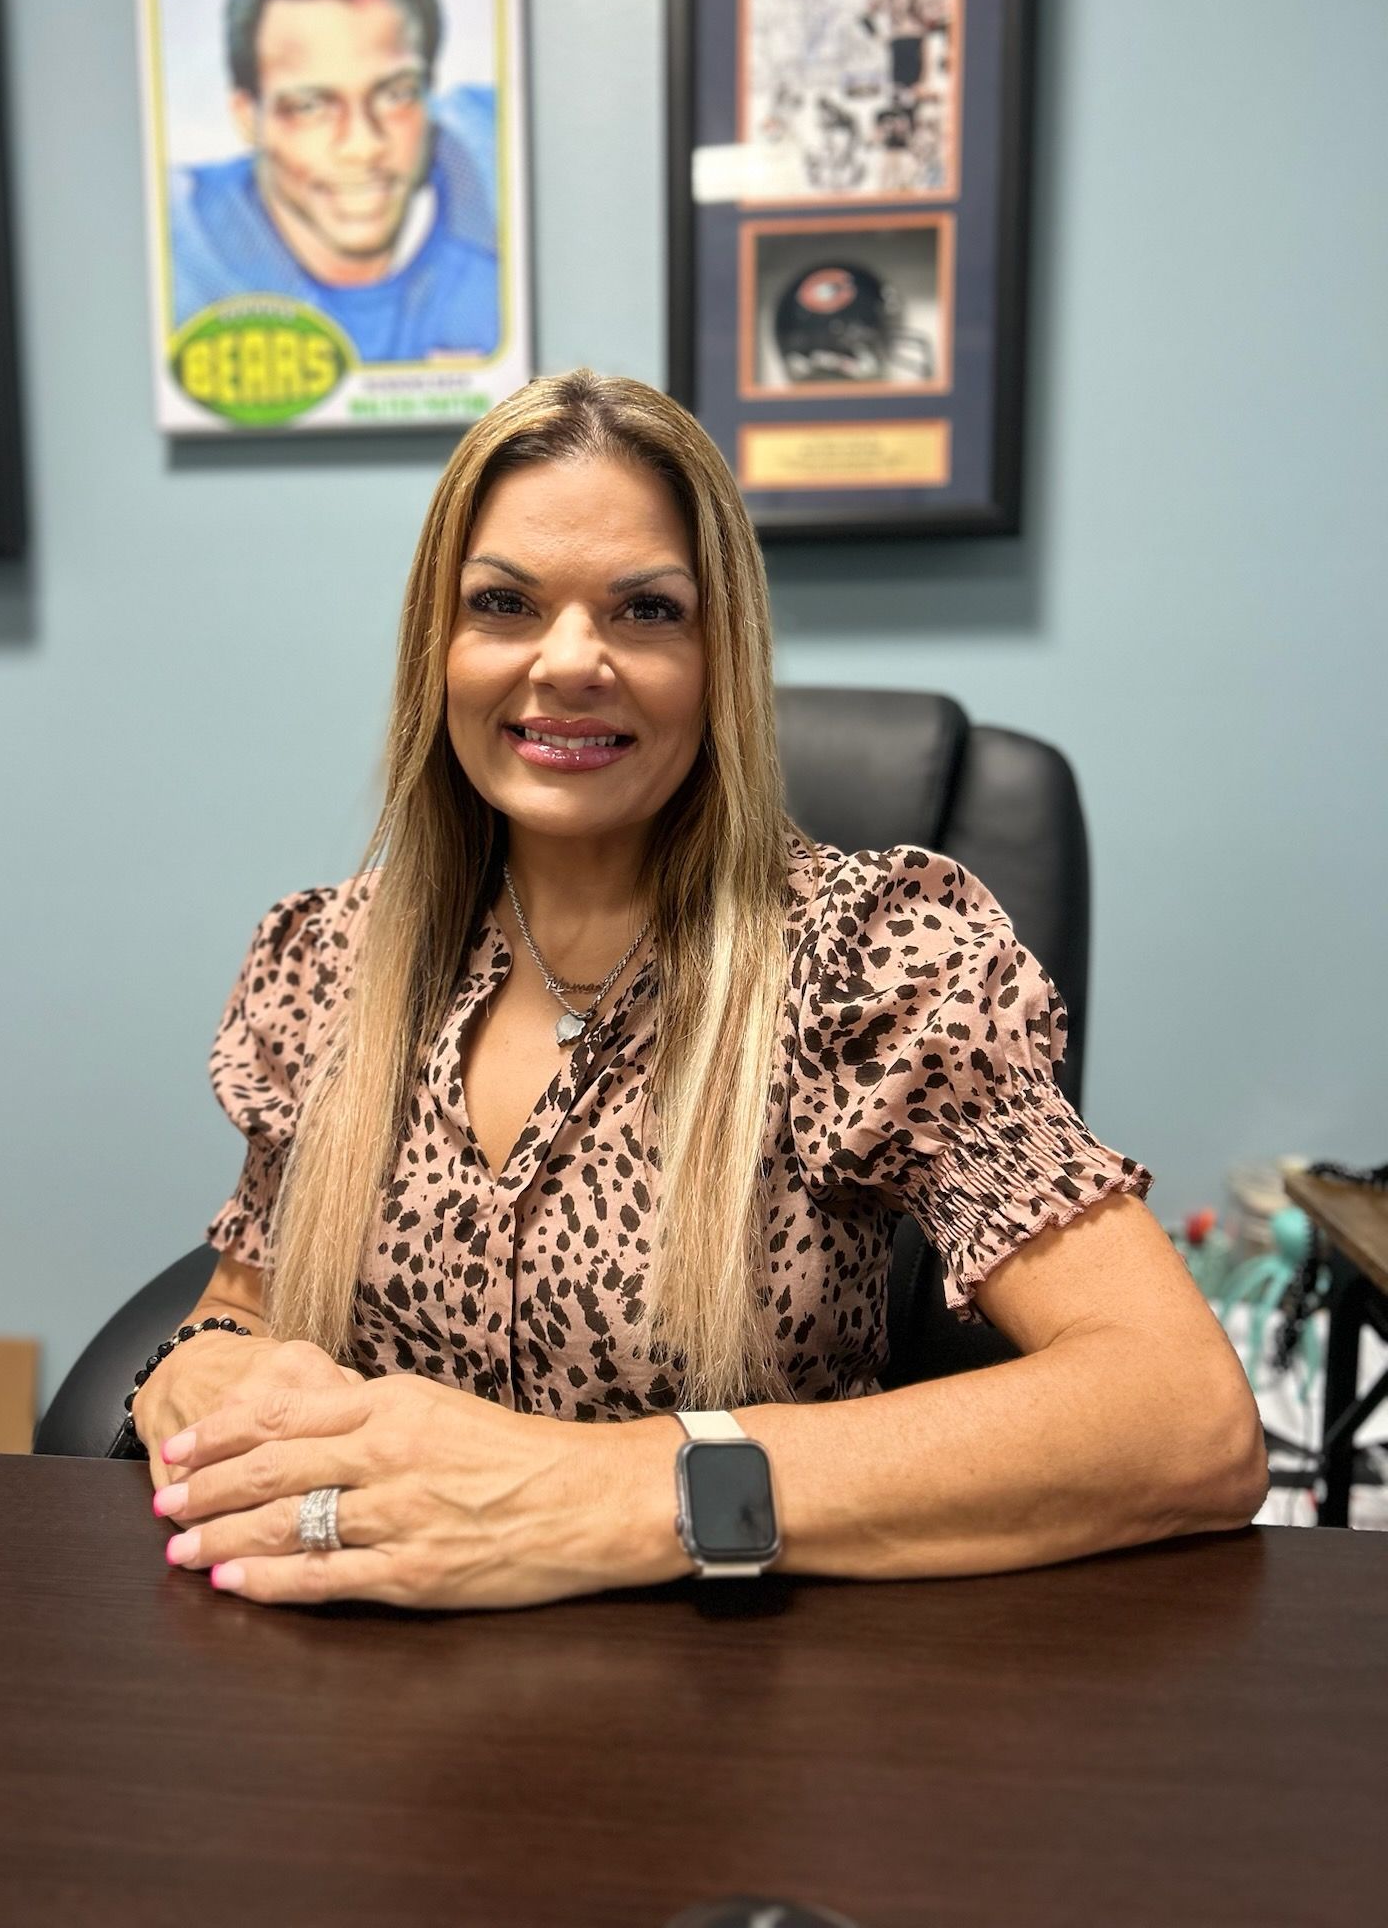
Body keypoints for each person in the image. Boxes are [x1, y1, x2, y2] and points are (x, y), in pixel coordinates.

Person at [132, 369, 1267, 1608]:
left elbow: (1184, 1414)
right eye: (504, 602)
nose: (570, 661)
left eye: (646, 610)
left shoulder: (868, 959)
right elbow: (239, 1301)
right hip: (359, 1708)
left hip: (735, 1716)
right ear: (437, 649)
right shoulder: (328, 963)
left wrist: (605, 1489)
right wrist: (195, 1373)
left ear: (720, 654)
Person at [167, 0, 499, 362]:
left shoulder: (498, 166)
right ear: (248, 117)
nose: (362, 146)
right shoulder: (182, 252)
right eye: (310, 107)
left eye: (395, 94)